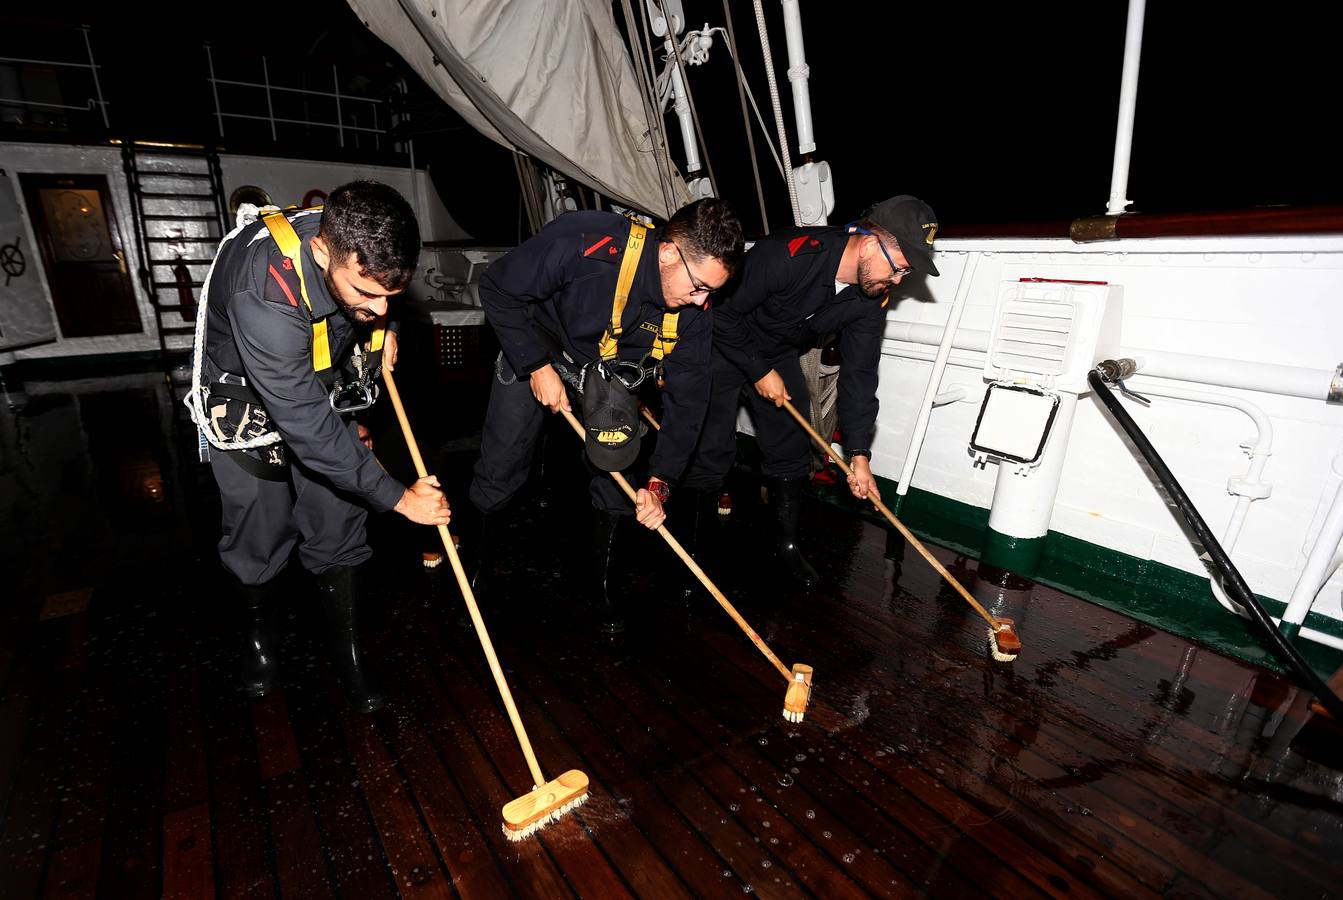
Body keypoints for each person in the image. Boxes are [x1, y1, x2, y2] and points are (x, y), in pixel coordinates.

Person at [194, 180, 451, 712]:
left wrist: (383, 327)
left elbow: (369, 299)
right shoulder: (262, 289)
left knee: (339, 519)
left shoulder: (357, 258)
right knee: (259, 529)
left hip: (319, 373)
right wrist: (401, 499)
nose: (379, 308)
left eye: (392, 295)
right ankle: (259, 641)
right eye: (366, 294)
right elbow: (306, 424)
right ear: (319, 251)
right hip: (244, 392)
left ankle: (349, 653)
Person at [470, 198, 743, 631]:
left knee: (620, 464)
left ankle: (598, 586)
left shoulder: (695, 310)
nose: (700, 301)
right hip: (538, 347)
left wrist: (661, 484)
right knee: (503, 459)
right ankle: (480, 572)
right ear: (669, 251)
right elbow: (497, 288)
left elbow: (689, 404)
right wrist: (536, 366)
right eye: (698, 286)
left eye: (712, 291)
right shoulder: (586, 241)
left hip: (609, 372)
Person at [681, 195, 940, 587]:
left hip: (777, 351)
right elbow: (720, 312)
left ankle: (784, 547)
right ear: (870, 243)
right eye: (900, 268)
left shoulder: (872, 297)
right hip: (722, 342)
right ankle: (694, 550)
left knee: (791, 448)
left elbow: (860, 374)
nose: (899, 281)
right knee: (711, 447)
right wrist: (759, 370)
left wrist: (858, 453)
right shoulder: (789, 254)